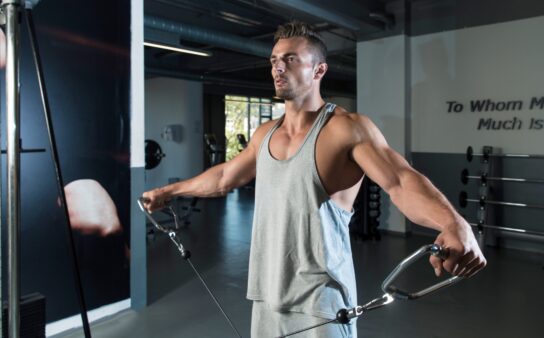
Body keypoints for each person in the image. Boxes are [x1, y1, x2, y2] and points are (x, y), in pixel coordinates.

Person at [143, 21, 486, 338]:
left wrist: (453, 223)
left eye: (291, 59)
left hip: (321, 301)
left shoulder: (346, 128)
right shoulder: (265, 134)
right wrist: (169, 191)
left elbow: (399, 180)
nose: (278, 67)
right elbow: (224, 177)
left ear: (318, 69)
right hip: (266, 295)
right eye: (275, 59)